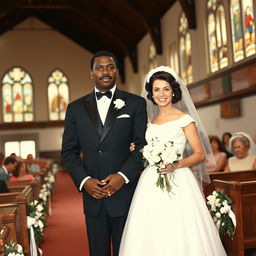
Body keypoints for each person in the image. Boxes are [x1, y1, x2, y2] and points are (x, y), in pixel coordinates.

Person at [119, 66, 226, 256]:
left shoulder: (184, 119)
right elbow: (144, 149)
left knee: (180, 228)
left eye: (166, 89)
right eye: (157, 89)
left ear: (173, 91)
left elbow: (199, 154)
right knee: (151, 228)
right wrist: (138, 150)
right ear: (151, 93)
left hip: (179, 180)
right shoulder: (148, 122)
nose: (161, 94)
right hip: (151, 180)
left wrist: (176, 164)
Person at [61, 50, 147, 256]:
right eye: (99, 67)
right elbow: (69, 152)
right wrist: (85, 181)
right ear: (91, 73)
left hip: (125, 194)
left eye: (110, 67)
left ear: (117, 71)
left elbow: (143, 147)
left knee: (127, 251)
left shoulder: (135, 103)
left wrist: (123, 176)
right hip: (93, 196)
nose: (105, 71)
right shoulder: (75, 108)